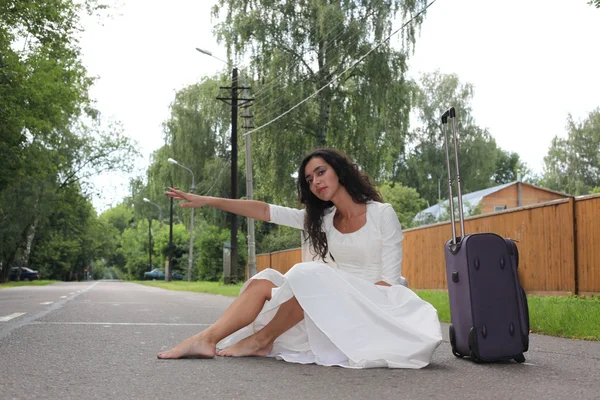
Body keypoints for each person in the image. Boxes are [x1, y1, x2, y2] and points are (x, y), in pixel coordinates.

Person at [157, 148, 442, 369]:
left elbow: (390, 282)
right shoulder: (321, 219)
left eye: (321, 172)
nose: (316, 182)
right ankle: (206, 339)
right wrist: (208, 200)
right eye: (310, 179)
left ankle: (262, 340)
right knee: (263, 282)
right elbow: (266, 211)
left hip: (372, 305)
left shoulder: (382, 213)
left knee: (309, 274)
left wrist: (344, 297)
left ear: (339, 172)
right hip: (323, 299)